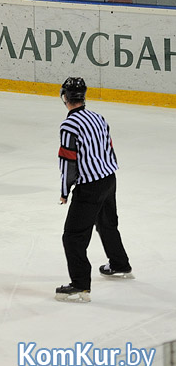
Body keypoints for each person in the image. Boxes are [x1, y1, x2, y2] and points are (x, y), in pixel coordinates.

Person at [55, 77, 132, 303]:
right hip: (109, 178)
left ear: (65, 98)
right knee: (107, 224)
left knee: (73, 237)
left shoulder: (69, 125)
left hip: (89, 186)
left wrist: (64, 190)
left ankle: (79, 286)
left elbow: (68, 161)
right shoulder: (98, 117)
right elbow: (109, 148)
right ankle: (120, 264)